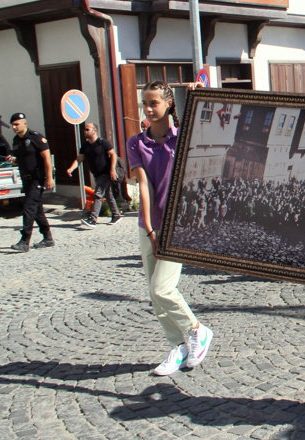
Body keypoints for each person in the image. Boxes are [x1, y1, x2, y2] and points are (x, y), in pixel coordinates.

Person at [127, 81, 213, 377]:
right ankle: (178, 347)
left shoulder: (182, 138)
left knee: (161, 287)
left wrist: (199, 92)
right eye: (145, 104)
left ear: (168, 104)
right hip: (148, 225)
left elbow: (206, 121)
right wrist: (150, 229)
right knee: (154, 293)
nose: (148, 109)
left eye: (154, 103)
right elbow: (143, 185)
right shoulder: (136, 142)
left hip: (178, 226)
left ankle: (198, 330)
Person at [5, 113, 54, 252]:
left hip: (37, 178)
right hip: (26, 178)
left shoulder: (36, 137)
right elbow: (19, 160)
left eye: (17, 124)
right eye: (13, 125)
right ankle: (48, 237)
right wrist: (12, 160)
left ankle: (25, 240)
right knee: (37, 210)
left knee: (28, 207)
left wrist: (49, 178)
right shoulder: (16, 141)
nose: (14, 127)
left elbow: (47, 159)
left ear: (24, 124)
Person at [67, 122, 122, 227]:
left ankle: (93, 219)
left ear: (94, 130)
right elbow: (79, 159)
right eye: (84, 130)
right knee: (108, 195)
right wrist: (71, 168)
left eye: (87, 129)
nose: (85, 131)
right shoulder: (85, 146)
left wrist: (112, 170)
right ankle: (116, 215)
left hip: (105, 173)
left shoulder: (103, 143)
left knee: (98, 194)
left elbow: (113, 154)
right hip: (96, 175)